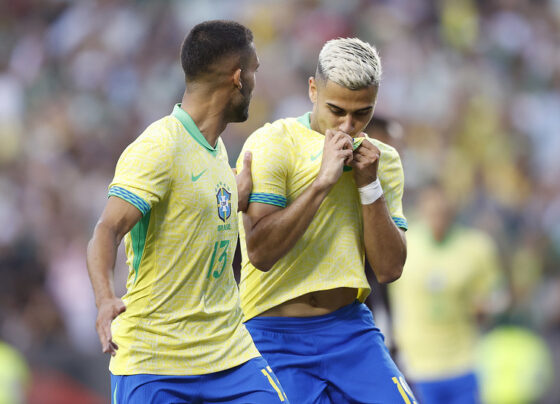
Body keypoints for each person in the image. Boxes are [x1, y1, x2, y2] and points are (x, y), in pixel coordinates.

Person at [86, 20, 289, 403]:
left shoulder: (215, 149)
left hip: (228, 354)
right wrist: (104, 300)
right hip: (155, 361)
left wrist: (235, 192)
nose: (256, 81)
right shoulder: (159, 146)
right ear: (237, 78)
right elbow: (106, 230)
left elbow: (197, 206)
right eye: (255, 70)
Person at [236, 37, 416, 403]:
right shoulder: (273, 142)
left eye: (362, 113)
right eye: (337, 111)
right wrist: (322, 183)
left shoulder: (383, 160)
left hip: (350, 329)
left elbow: (389, 269)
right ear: (313, 89)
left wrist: (369, 186)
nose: (349, 125)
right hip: (273, 333)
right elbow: (260, 252)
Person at [388, 183, 506, 404]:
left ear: (453, 209)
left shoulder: (477, 246)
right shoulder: (403, 242)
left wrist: (487, 306)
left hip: (462, 361)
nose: (438, 217)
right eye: (432, 211)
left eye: (443, 211)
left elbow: (498, 295)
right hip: (416, 365)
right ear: (421, 209)